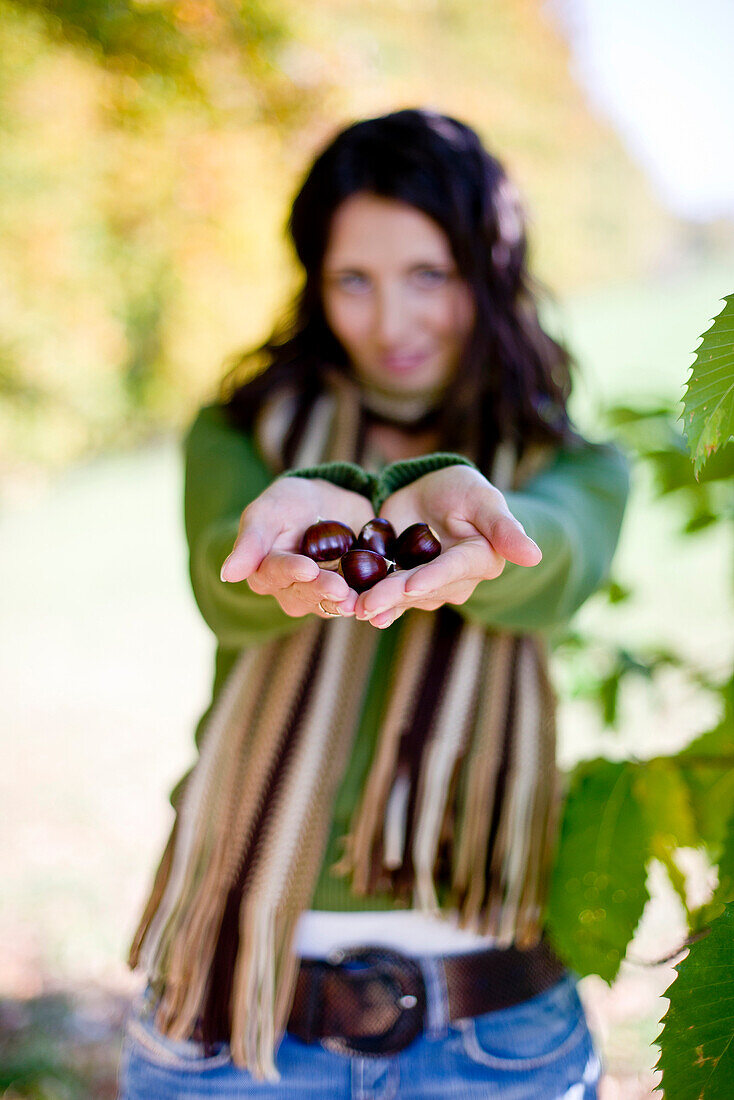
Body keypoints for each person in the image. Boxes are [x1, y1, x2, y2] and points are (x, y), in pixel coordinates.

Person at [117, 108, 629, 1099]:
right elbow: (228, 581)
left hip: (496, 1026)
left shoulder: (572, 464)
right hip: (233, 1009)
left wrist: (476, 525)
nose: (391, 322)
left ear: (486, 272)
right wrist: (275, 545)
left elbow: (551, 560)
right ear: (313, 281)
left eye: (427, 275)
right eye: (354, 279)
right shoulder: (238, 434)